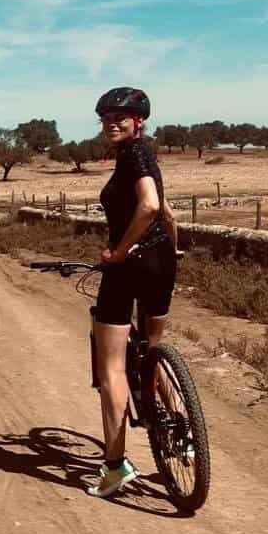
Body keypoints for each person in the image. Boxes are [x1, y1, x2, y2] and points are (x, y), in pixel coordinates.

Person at [87, 87, 180, 498]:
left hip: (129, 265)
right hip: (162, 262)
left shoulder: (134, 154)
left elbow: (149, 206)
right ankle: (183, 435)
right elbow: (169, 214)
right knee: (154, 352)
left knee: (112, 367)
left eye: (120, 117)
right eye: (106, 116)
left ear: (138, 121)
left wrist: (117, 252)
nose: (111, 122)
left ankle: (114, 467)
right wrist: (173, 251)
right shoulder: (148, 155)